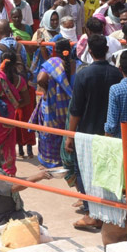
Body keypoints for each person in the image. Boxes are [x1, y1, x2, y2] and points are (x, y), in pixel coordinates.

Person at [67, 35, 121, 231]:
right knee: (106, 172)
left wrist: (69, 135)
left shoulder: (83, 74)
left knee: (84, 172)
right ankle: (103, 210)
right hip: (110, 134)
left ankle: (91, 213)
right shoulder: (117, 74)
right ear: (107, 50)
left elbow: (76, 109)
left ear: (89, 51)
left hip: (87, 133)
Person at [0, 137, 51, 229]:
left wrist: (36, 177)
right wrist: (38, 177)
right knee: (37, 218)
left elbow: (12, 182)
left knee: (34, 221)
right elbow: (13, 187)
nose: (2, 152)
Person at [34, 41, 74, 170]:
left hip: (53, 105)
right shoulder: (76, 64)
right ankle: (66, 160)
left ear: (55, 51)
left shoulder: (53, 63)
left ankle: (50, 162)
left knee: (49, 134)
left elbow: (40, 79)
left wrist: (46, 90)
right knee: (67, 132)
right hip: (69, 106)